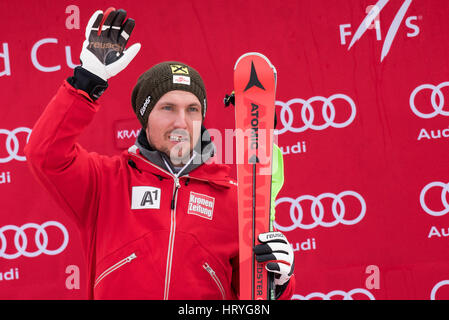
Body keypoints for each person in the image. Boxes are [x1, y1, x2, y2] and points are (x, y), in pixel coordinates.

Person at [25, 7, 295, 300]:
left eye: (192, 109)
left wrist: (279, 284)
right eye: (167, 108)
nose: (181, 121)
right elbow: (45, 154)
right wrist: (87, 80)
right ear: (145, 117)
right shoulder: (106, 184)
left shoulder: (234, 202)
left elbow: (252, 298)